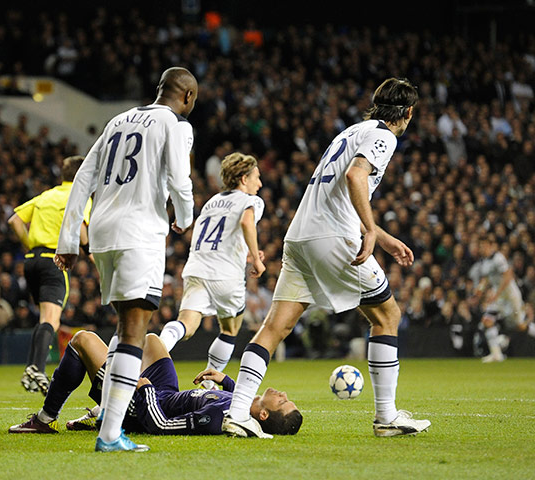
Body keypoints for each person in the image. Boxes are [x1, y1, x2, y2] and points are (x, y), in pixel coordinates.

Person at [223, 78, 431, 439]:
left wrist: (381, 235)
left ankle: (239, 412)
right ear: (409, 112)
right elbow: (355, 176)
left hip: (301, 235)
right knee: (387, 315)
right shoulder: (385, 136)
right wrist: (369, 230)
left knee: (275, 327)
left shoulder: (351, 132)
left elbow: (341, 192)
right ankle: (386, 416)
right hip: (334, 238)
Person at [54, 66, 198, 452]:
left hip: (102, 232)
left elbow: (83, 177)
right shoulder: (176, 124)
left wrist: (68, 239)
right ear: (187, 98)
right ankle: (110, 434)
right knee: (135, 329)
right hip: (139, 232)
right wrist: (185, 217)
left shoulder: (118, 120)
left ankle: (107, 415)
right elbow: (180, 179)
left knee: (123, 326)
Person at [7, 331, 302, 436]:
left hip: (145, 406)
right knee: (151, 342)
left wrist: (143, 388)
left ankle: (46, 419)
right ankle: (104, 407)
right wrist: (225, 379)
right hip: (167, 393)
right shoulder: (241, 409)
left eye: (283, 401)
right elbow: (237, 397)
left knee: (83, 340)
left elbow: (159, 425)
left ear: (263, 415)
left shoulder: (215, 420)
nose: (283, 393)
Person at [158, 152, 265, 389]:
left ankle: (160, 346)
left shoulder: (211, 202)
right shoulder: (252, 201)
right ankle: (210, 381)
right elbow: (247, 223)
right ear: (243, 179)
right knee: (230, 328)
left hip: (196, 268)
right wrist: (256, 258)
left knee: (186, 324)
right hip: (226, 274)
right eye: (256, 177)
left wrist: (245, 250)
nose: (259, 184)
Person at [7, 155, 92, 395]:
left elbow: (15, 221)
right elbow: (83, 228)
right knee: (51, 319)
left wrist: (29, 246)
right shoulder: (79, 195)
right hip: (54, 261)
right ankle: (36, 368)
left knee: (45, 318)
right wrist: (90, 253)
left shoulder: (46, 195)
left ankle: (33, 369)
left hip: (32, 261)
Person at [469, 234, 535, 362]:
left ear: (491, 246)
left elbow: (508, 276)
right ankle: (496, 354)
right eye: (481, 246)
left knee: (520, 326)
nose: (482, 248)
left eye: (484, 246)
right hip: (498, 298)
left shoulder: (498, 258)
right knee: (487, 320)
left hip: (510, 296)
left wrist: (496, 294)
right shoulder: (485, 261)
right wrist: (479, 290)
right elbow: (487, 279)